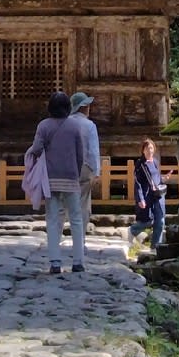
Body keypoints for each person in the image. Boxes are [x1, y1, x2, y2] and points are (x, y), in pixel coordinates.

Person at [25, 91, 93, 274]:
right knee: (76, 219)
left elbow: (37, 148)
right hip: (71, 177)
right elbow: (80, 154)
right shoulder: (74, 126)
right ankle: (78, 261)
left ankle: (55, 262)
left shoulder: (44, 126)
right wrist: (76, 172)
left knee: (53, 218)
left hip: (51, 178)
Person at [67, 90, 101, 250]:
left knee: (68, 204)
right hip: (85, 167)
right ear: (84, 107)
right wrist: (97, 172)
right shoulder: (89, 125)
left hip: (67, 168)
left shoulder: (65, 123)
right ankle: (79, 240)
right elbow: (93, 150)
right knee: (83, 204)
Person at [130, 138, 171, 254]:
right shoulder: (140, 164)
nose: (149, 150)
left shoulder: (155, 162)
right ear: (143, 150)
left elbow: (157, 179)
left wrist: (164, 178)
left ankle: (155, 247)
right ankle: (132, 230)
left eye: (151, 148)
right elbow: (137, 183)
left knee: (161, 221)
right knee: (149, 220)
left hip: (158, 195)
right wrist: (140, 199)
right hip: (147, 195)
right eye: (147, 148)